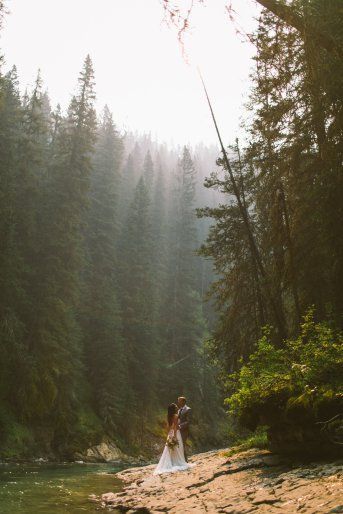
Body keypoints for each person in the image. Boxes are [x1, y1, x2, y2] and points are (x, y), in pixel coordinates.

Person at [153, 403, 193, 475]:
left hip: (170, 434)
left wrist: (169, 434)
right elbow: (175, 427)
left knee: (170, 449)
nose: (177, 407)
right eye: (176, 407)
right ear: (174, 409)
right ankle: (176, 462)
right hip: (175, 433)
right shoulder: (175, 416)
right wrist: (174, 436)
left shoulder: (169, 416)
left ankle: (171, 462)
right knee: (177, 448)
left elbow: (168, 427)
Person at [177, 396, 191, 461]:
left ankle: (185, 461)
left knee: (182, 445)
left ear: (183, 401)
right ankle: (182, 460)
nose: (178, 402)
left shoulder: (188, 409)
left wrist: (180, 426)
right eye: (178, 401)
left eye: (179, 401)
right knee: (179, 445)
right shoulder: (179, 410)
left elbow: (189, 421)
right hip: (178, 431)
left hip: (184, 431)